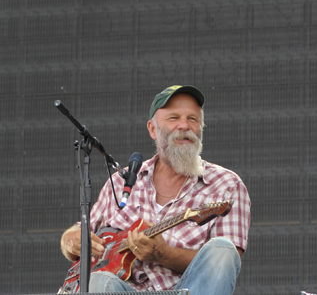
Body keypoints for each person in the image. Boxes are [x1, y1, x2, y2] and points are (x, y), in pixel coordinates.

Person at [60, 85, 251, 294]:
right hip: (123, 289)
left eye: (193, 119)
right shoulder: (119, 182)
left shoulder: (226, 185)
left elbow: (222, 267)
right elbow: (81, 231)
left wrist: (163, 254)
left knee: (223, 249)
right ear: (152, 129)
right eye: (173, 118)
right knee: (98, 281)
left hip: (188, 290)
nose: (184, 125)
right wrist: (69, 240)